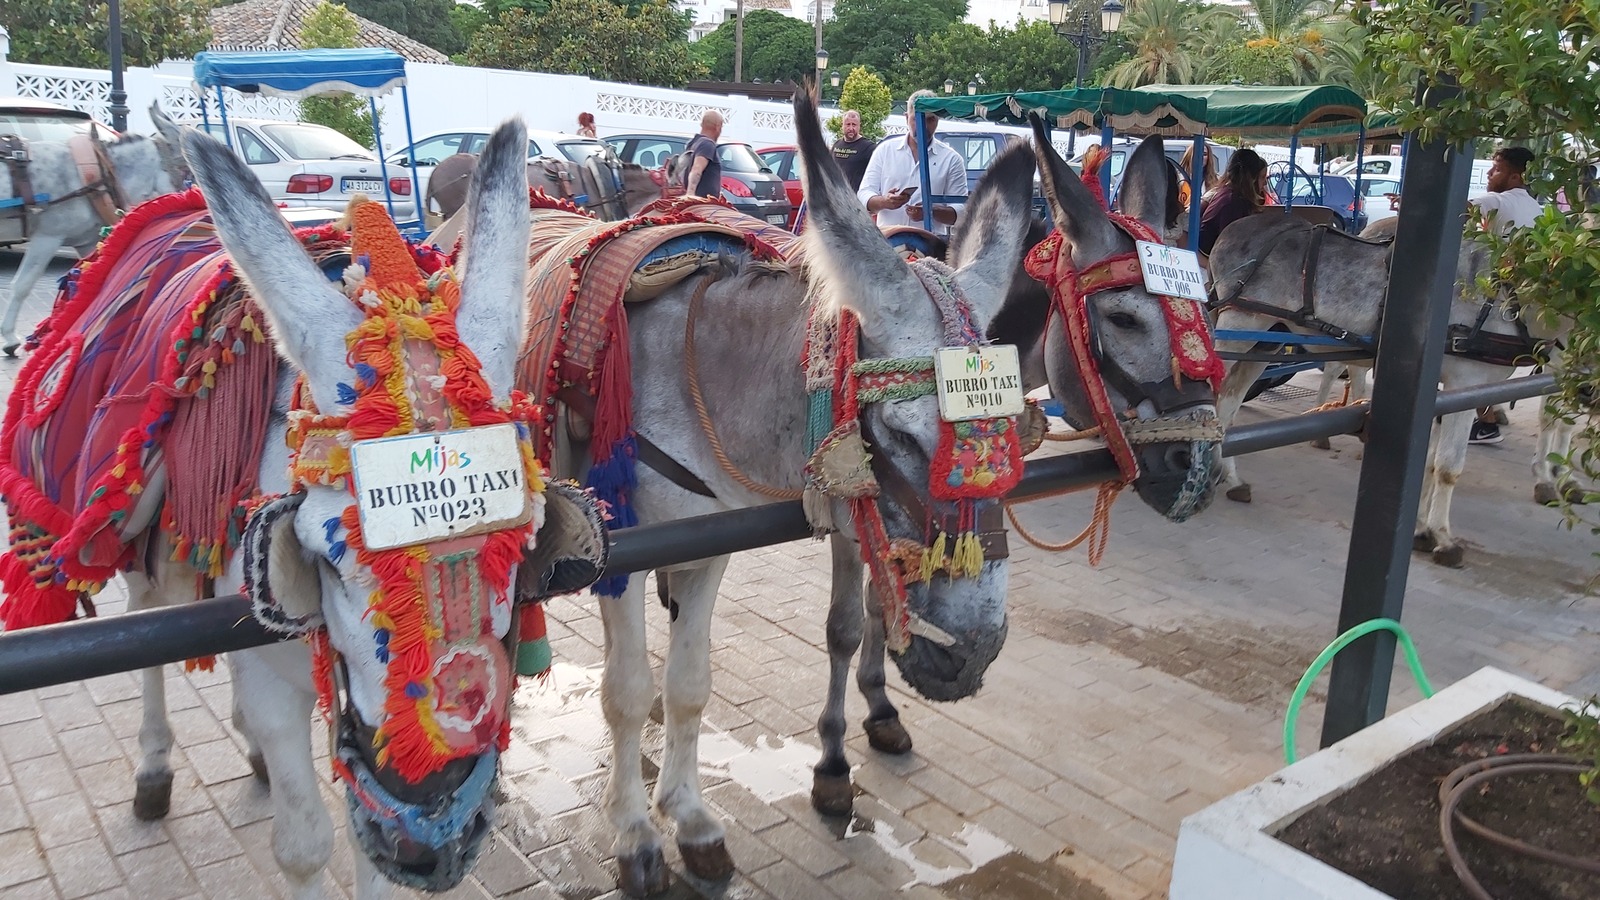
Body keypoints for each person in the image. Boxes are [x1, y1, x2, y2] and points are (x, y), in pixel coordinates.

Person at [1467, 146, 1544, 445]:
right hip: (1521, 301)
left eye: (1495, 169)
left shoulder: (1497, 200)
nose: (1488, 173)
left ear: (1514, 176)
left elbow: (1449, 206)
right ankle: (1489, 412)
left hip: (1494, 297)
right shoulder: (1536, 208)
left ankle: (1485, 420)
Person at [856, 90, 967, 235]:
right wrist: (885, 202)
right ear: (906, 118)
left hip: (931, 247)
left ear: (938, 120)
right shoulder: (885, 151)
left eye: (930, 119)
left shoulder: (952, 159)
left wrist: (930, 211)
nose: (923, 126)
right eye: (916, 119)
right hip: (888, 243)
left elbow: (962, 212)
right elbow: (864, 194)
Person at [1198, 148, 1269, 257]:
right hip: (1208, 259)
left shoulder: (1232, 196)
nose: (1265, 183)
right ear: (1252, 178)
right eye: (1263, 177)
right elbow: (1229, 246)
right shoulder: (1232, 201)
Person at [831, 110, 877, 192]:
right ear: (842, 125)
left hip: (855, 199)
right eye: (848, 124)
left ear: (859, 126)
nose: (851, 128)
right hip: (836, 198)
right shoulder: (836, 145)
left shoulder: (869, 147)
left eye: (854, 125)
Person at [685, 110, 724, 199]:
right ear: (718, 127)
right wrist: (690, 194)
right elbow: (697, 170)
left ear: (702, 125)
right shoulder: (707, 144)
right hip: (705, 203)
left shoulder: (693, 143)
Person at [1178, 143, 1219, 211]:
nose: (1200, 157)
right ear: (1189, 155)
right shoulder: (1178, 178)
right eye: (1197, 153)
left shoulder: (1217, 180)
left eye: (1204, 154)